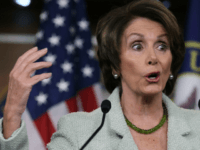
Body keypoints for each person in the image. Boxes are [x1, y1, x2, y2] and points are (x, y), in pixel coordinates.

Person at [1, 0, 200, 149]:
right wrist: (12, 115)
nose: (153, 57)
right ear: (115, 64)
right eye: (137, 46)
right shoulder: (79, 131)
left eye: (162, 46)